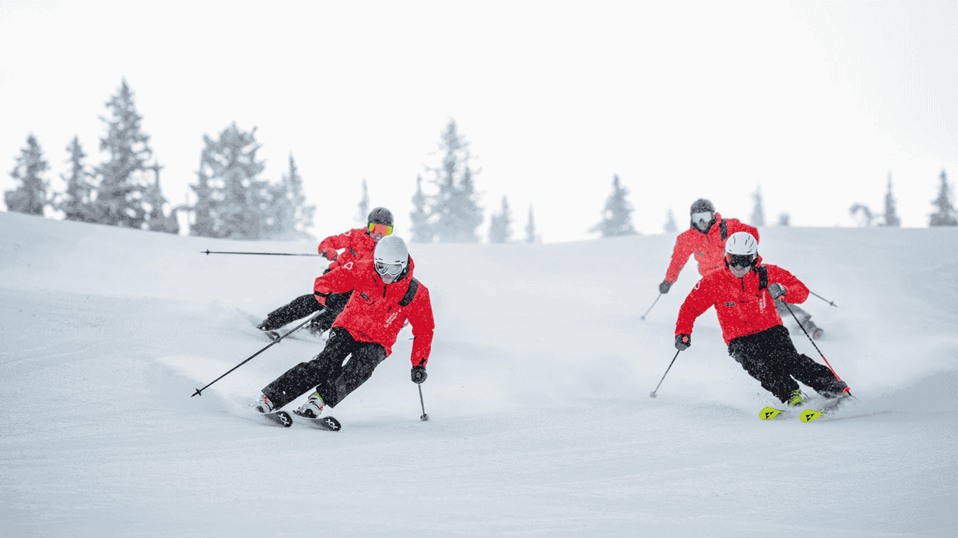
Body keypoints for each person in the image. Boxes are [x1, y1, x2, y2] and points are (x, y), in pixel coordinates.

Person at [252, 235, 435, 418]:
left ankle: (318, 401)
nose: (387, 274)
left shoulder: (416, 293)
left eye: (394, 268)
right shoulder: (363, 268)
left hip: (379, 341)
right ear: (375, 262)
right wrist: (329, 297)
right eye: (382, 267)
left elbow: (424, 330)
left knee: (360, 369)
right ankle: (271, 399)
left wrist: (419, 364)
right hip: (347, 327)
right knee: (326, 364)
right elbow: (323, 283)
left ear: (404, 265)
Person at [673, 232, 848, 408]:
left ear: (754, 258)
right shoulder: (714, 281)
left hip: (771, 329)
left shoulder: (768, 273)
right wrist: (683, 333)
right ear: (726, 257)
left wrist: (784, 290)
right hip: (738, 337)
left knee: (790, 361)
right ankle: (792, 394)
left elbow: (802, 291)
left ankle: (834, 388)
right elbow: (689, 308)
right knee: (760, 367)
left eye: (744, 260)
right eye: (733, 259)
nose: (738, 266)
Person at [659, 198, 823, 339]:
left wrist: (743, 253)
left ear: (712, 215)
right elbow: (677, 261)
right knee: (734, 309)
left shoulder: (728, 227)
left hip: (741, 271)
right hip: (717, 281)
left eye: (705, 217)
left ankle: (803, 322)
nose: (702, 222)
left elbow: (752, 233)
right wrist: (669, 281)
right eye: (697, 218)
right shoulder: (687, 239)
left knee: (764, 295)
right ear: (692, 219)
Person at [256, 207, 395, 338]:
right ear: (368, 226)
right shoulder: (356, 235)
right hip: (336, 277)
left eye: (385, 231)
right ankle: (269, 323)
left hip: (355, 288)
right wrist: (328, 250)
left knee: (342, 308)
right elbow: (329, 241)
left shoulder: (388, 250)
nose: (379, 234)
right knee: (314, 301)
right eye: (375, 228)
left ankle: (312, 331)